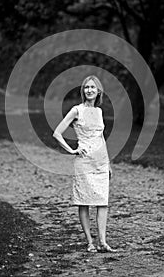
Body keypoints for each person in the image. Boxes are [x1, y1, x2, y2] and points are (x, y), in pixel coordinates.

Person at [53, 75, 117, 253]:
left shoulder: (99, 112)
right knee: (84, 202)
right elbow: (57, 133)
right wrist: (71, 150)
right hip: (84, 162)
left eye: (93, 87)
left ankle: (103, 242)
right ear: (83, 91)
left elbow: (101, 137)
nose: (89, 90)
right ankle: (90, 242)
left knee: (102, 202)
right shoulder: (76, 110)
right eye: (86, 87)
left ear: (98, 91)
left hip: (101, 163)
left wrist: (108, 163)